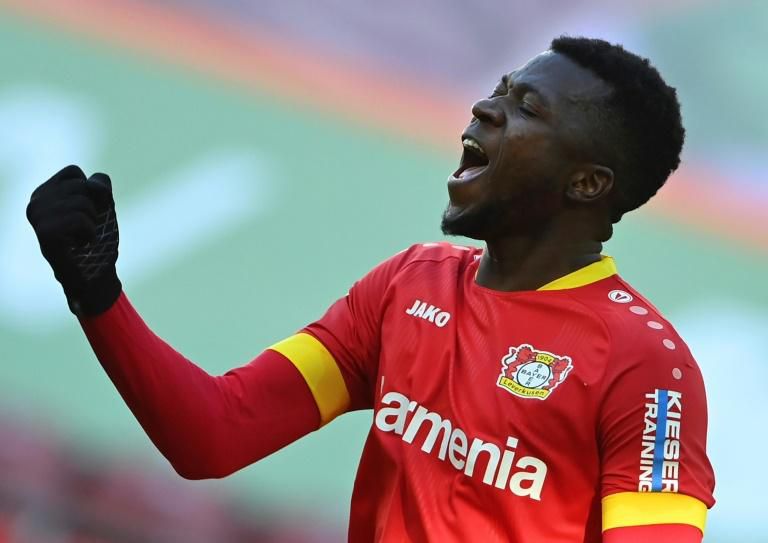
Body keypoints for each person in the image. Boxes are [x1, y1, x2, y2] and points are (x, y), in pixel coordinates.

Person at [26, 36, 715, 542]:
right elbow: (216, 433)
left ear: (587, 182)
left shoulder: (644, 364)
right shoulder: (408, 285)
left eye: (525, 107)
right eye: (498, 90)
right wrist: (97, 293)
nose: (484, 108)